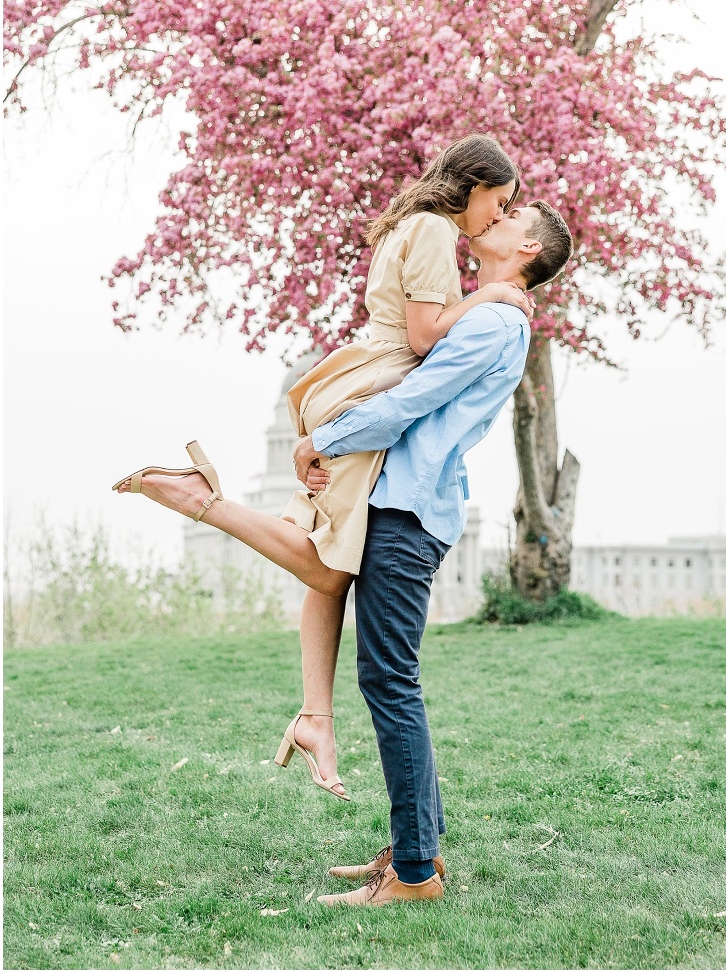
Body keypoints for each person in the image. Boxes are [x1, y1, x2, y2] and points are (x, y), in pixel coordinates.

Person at [114, 135, 531, 800]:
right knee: (326, 562)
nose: (497, 216)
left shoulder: (412, 224)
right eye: (500, 201)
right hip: (374, 388)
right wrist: (494, 296)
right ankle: (205, 501)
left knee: (331, 562)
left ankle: (315, 718)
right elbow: (424, 339)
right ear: (475, 185)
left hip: (358, 378)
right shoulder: (430, 231)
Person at [290, 203, 574, 906]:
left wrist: (322, 437)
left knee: (389, 681)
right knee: (392, 680)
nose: (496, 216)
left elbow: (413, 399)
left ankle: (414, 873)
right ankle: (418, 850)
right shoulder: (485, 310)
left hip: (409, 511)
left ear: (528, 246)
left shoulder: (496, 321)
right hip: (408, 503)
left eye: (512, 215)